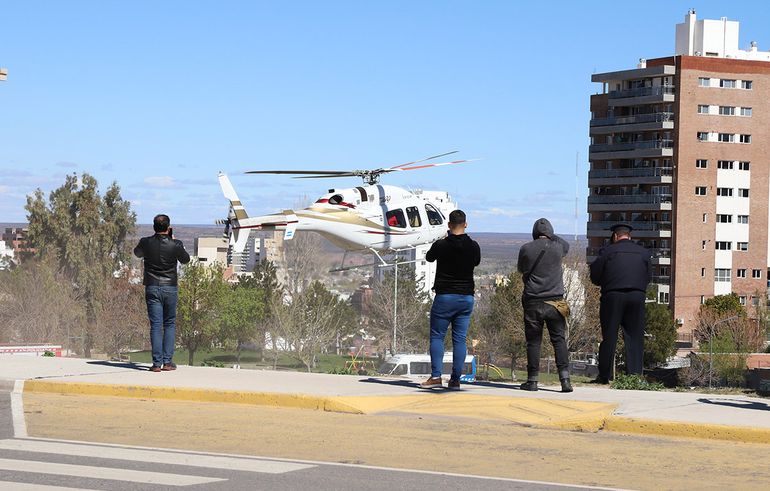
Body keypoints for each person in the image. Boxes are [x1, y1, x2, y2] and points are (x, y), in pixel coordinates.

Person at [420, 209, 481, 390]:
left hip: (445, 297)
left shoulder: (441, 245)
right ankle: (455, 379)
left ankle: (436, 376)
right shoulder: (474, 246)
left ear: (448, 225)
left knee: (437, 337)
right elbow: (476, 262)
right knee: (460, 340)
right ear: (466, 224)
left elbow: (429, 257)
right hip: (466, 298)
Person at [589, 223, 652, 383]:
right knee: (635, 337)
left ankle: (604, 376)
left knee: (609, 336)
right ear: (629, 236)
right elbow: (648, 277)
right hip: (637, 296)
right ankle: (635, 376)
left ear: (615, 236)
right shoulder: (643, 253)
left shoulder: (607, 252)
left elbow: (595, 276)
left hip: (613, 296)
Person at [517, 218, 572, 392]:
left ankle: (532, 381)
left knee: (533, 342)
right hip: (557, 301)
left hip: (533, 300)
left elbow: (521, 269)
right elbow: (566, 245)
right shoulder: (558, 247)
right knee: (559, 340)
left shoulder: (526, 248)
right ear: (550, 232)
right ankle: (565, 380)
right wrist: (550, 235)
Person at [134, 214, 191, 372]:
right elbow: (186, 260)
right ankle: (167, 362)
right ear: (168, 227)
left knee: (156, 326)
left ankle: (156, 364)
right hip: (170, 287)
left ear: (154, 227)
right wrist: (174, 241)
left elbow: (137, 253)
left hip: (152, 286)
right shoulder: (176, 244)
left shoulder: (146, 242)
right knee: (169, 324)